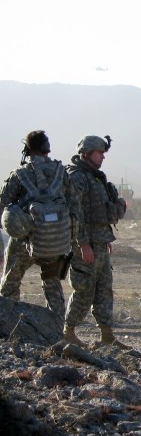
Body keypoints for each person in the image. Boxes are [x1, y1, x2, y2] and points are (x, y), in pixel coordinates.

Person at [0, 130, 81, 316]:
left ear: (28, 150)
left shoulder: (20, 174)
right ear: (47, 149)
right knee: (52, 285)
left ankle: (9, 325)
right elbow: (75, 204)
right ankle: (56, 330)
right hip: (55, 242)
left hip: (24, 241)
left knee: (10, 283)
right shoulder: (61, 173)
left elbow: (3, 204)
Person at [63, 135, 127, 347]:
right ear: (86, 153)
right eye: (99, 153)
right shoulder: (77, 177)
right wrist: (82, 244)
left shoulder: (95, 177)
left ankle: (107, 336)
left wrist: (104, 238)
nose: (102, 157)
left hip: (99, 241)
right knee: (84, 289)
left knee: (104, 289)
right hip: (85, 244)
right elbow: (75, 213)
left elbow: (97, 211)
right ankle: (68, 332)